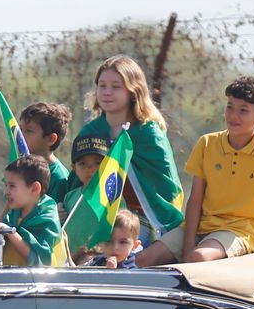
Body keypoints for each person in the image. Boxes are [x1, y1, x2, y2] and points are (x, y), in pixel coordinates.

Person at [137, 76, 254, 266]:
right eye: (230, 107)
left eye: (243, 110)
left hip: (237, 231)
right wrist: (187, 245)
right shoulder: (206, 143)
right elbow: (195, 199)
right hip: (200, 227)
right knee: (144, 259)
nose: (233, 115)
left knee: (199, 257)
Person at [68, 54, 184, 247]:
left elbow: (167, 187)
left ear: (132, 91)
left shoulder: (148, 133)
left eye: (116, 87)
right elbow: (77, 180)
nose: (107, 92)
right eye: (102, 86)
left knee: (120, 253)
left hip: (138, 221)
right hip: (95, 218)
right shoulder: (91, 132)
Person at [61, 134, 113, 264]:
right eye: (83, 163)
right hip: (69, 261)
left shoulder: (113, 197)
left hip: (98, 260)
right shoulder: (70, 197)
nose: (90, 169)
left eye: (97, 163)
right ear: (74, 168)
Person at [18, 102, 71, 202]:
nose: (20, 136)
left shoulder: (58, 178)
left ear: (51, 139)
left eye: (29, 131)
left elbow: (53, 215)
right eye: (20, 129)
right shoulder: (21, 168)